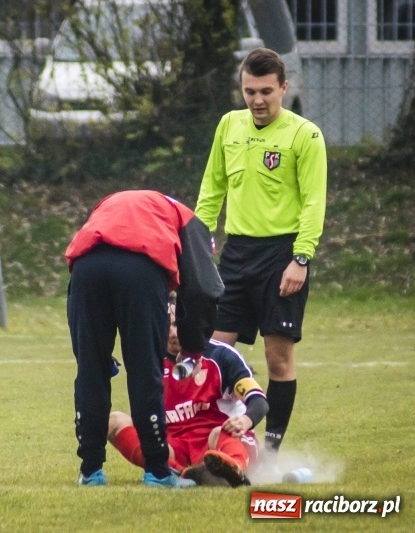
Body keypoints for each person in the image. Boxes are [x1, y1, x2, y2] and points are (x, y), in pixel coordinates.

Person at [194, 47, 327, 454]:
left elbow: (313, 202)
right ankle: (212, 445)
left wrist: (300, 258)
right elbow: (212, 188)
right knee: (213, 353)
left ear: (284, 88)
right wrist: (196, 244)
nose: (257, 100)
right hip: (235, 255)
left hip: (281, 255)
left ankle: (269, 453)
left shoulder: (305, 135)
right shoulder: (229, 125)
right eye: (250, 91)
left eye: (266, 91)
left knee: (278, 360)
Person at [65, 190, 223, 488]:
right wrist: (193, 348)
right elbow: (202, 290)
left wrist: (92, 351)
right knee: (144, 369)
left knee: (90, 371)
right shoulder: (192, 223)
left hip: (86, 267)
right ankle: (158, 471)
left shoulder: (114, 202)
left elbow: (80, 285)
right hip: (141, 266)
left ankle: (90, 471)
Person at [108, 297, 269, 487]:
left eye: (178, 325)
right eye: (165, 325)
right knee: (114, 421)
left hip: (223, 440)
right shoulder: (149, 362)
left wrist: (246, 420)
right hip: (176, 447)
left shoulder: (220, 355)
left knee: (219, 433)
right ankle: (178, 472)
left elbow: (258, 399)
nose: (172, 333)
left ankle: (234, 468)